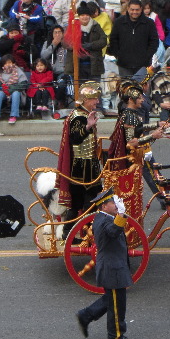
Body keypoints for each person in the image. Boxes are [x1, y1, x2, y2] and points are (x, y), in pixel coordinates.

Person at [74, 187, 138, 339]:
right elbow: (114, 231)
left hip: (113, 266)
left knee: (111, 300)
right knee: (118, 305)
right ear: (104, 207)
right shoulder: (105, 221)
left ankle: (86, 315)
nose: (116, 205)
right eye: (113, 203)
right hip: (112, 268)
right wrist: (121, 215)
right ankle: (116, 336)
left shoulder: (105, 218)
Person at [56, 82, 104, 234]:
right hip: (82, 167)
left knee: (88, 201)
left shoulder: (84, 114)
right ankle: (72, 233)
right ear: (85, 100)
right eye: (93, 99)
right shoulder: (78, 117)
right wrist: (87, 127)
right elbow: (75, 138)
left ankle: (80, 232)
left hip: (89, 165)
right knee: (85, 202)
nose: (97, 102)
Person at [108, 0, 159, 78]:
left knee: (142, 89)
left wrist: (147, 56)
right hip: (124, 64)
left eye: (137, 10)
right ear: (128, 9)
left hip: (143, 65)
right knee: (126, 88)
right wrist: (118, 55)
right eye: (132, 9)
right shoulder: (119, 22)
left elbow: (154, 42)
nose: (134, 12)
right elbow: (113, 40)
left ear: (141, 9)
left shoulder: (149, 23)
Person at [64, 4, 107, 82]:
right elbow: (65, 42)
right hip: (77, 65)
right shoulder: (72, 26)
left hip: (94, 65)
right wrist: (76, 46)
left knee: (94, 89)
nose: (85, 17)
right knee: (80, 90)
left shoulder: (96, 26)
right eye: (82, 15)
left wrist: (91, 45)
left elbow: (103, 40)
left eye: (87, 15)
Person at [0, 53, 28, 124]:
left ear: (13, 63)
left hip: (15, 91)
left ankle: (13, 115)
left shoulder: (18, 71)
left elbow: (24, 84)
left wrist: (11, 88)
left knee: (16, 93)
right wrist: (2, 86)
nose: (8, 65)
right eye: (5, 63)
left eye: (9, 63)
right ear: (2, 64)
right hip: (3, 91)